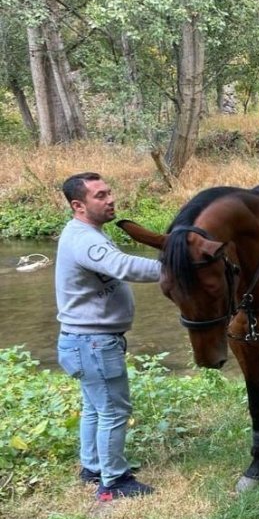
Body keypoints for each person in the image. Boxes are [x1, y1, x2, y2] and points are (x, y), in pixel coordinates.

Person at [55, 173, 161, 501]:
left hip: (82, 341)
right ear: (78, 205)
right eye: (100, 195)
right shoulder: (83, 239)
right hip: (93, 343)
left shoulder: (86, 233)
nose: (110, 199)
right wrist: (174, 267)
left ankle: (92, 467)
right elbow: (124, 266)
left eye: (109, 192)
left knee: (94, 408)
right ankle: (113, 483)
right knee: (114, 410)